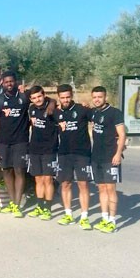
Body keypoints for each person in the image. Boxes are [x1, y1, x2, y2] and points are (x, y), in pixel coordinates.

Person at [0, 71, 30, 217]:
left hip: (20, 141)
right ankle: (14, 203)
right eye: (6, 82)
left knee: (19, 171)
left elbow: (45, 98)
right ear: (2, 83)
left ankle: (17, 205)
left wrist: (51, 104)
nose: (9, 84)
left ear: (16, 82)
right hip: (2, 142)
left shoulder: (24, 97)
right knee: (6, 171)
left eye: (11, 81)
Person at [54, 84, 93, 229]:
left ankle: (84, 217)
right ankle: (68, 214)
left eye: (68, 97)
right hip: (64, 153)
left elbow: (101, 117)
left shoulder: (82, 109)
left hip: (82, 153)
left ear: (72, 96)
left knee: (83, 184)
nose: (65, 100)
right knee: (65, 184)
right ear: (58, 97)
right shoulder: (56, 112)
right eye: (62, 98)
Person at [89, 86, 126, 233]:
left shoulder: (115, 113)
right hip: (96, 156)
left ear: (105, 97)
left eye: (100, 97)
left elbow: (122, 135)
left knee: (111, 189)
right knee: (101, 188)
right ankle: (104, 219)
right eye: (95, 97)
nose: (97, 99)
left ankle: (112, 221)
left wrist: (118, 154)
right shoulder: (94, 113)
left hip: (110, 157)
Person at [26, 86, 58, 220]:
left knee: (48, 179)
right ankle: (39, 206)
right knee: (38, 179)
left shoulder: (53, 110)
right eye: (34, 98)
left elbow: (54, 100)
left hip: (49, 150)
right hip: (34, 149)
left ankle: (48, 209)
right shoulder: (31, 109)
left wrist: (52, 102)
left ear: (44, 95)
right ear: (31, 99)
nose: (37, 99)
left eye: (39, 96)